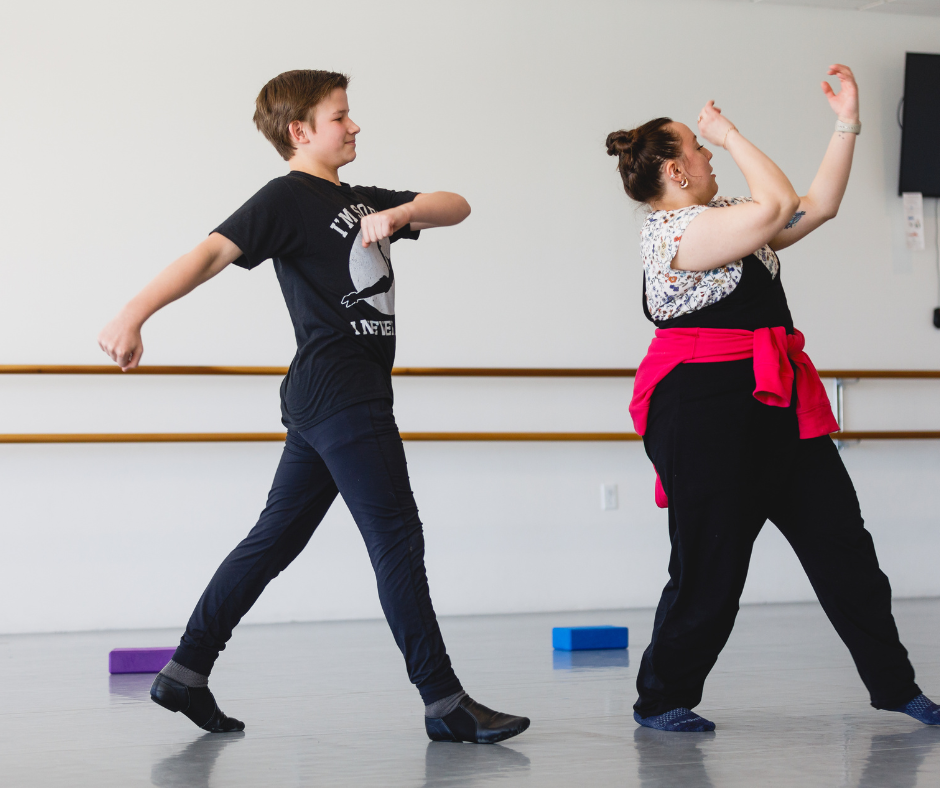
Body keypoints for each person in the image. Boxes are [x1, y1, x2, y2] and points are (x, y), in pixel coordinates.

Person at [98, 69, 530, 745]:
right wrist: (133, 313)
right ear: (301, 131)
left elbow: (457, 204)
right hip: (343, 393)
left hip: (325, 397)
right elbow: (211, 252)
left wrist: (400, 213)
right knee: (396, 537)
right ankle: (445, 702)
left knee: (274, 539)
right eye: (341, 117)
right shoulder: (285, 199)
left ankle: (185, 671)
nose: (355, 126)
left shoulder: (361, 199)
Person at [605, 65, 940, 733]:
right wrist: (730, 132)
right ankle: (662, 698)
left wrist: (847, 123)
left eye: (709, 143)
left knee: (845, 549)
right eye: (696, 149)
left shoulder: (726, 219)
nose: (707, 153)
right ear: (675, 171)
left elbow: (815, 205)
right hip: (703, 411)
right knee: (710, 567)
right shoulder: (675, 235)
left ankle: (896, 687)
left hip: (776, 401)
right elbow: (779, 202)